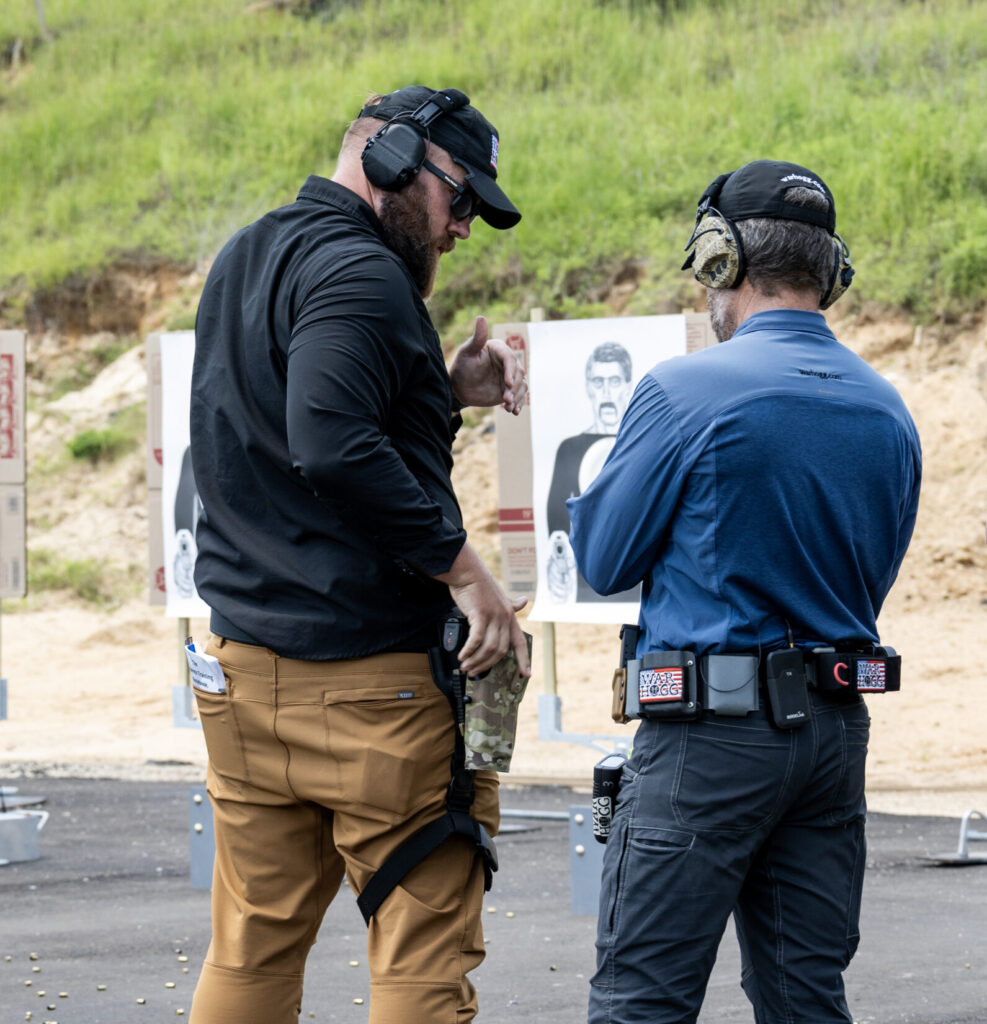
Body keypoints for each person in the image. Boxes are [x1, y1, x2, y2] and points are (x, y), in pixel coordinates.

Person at [187, 86, 531, 1024]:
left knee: (251, 952)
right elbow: (332, 442)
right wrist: (467, 573)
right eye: (460, 200)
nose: (464, 228)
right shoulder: (359, 274)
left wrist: (437, 389)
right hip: (371, 687)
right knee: (422, 960)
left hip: (246, 673)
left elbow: (291, 426)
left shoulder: (249, 254)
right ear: (392, 162)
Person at [569, 160, 921, 1023]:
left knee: (638, 1002)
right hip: (834, 739)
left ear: (721, 260)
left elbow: (601, 558)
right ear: (829, 271)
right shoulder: (888, 409)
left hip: (708, 745)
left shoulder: (683, 392)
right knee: (805, 997)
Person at [545, 342, 638, 603]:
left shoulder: (644, 444)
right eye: (598, 382)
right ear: (588, 387)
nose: (607, 391)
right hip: (584, 583)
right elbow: (557, 521)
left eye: (615, 381)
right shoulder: (570, 448)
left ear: (628, 386)